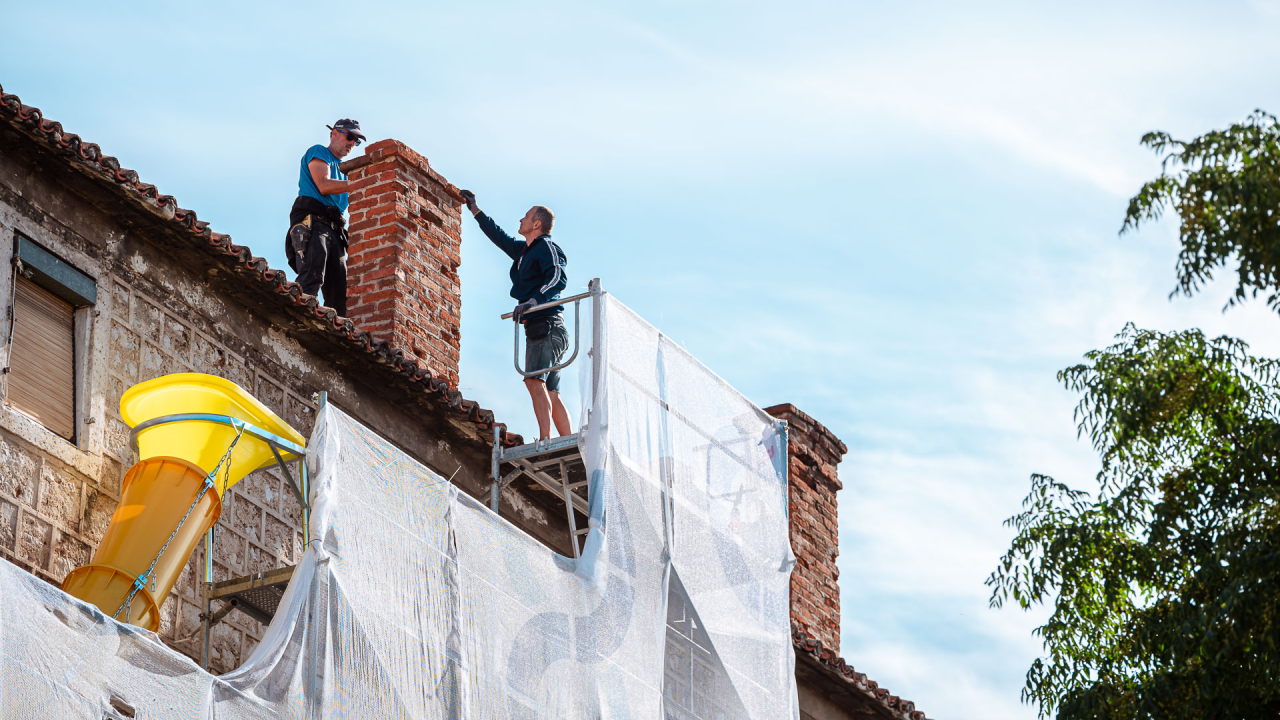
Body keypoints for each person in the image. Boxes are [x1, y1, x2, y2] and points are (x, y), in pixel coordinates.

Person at [460, 189, 570, 441]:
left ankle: (545, 440)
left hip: (547, 325)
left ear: (537, 224)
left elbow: (558, 278)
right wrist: (475, 210)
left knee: (533, 381)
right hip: (541, 327)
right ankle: (570, 445)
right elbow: (499, 237)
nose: (520, 220)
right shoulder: (524, 251)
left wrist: (534, 299)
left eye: (525, 216)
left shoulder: (547, 247)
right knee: (550, 391)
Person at [285, 119, 365, 317]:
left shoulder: (347, 173)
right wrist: (360, 182)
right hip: (314, 220)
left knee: (340, 292)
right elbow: (323, 185)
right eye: (350, 136)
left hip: (334, 228)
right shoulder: (320, 152)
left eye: (356, 141)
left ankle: (336, 336)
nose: (352, 143)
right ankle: (298, 319)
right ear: (335, 134)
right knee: (312, 275)